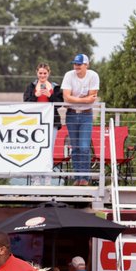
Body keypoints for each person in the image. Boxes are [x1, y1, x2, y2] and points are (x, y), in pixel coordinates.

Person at [60, 54, 101, 185]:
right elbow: (66, 97)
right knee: (75, 147)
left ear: (86, 65)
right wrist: (84, 100)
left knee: (84, 147)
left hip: (86, 115)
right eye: (75, 64)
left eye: (79, 64)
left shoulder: (93, 76)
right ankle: (77, 177)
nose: (76, 66)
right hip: (71, 114)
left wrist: (74, 99)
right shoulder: (68, 75)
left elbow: (93, 97)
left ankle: (85, 178)